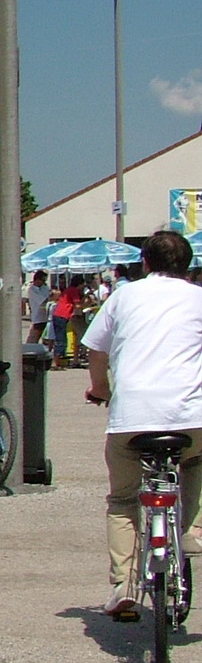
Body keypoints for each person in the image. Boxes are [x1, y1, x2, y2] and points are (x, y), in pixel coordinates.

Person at [83, 230, 202, 619]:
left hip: (131, 419)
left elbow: (96, 348)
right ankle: (193, 531)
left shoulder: (123, 296)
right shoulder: (199, 298)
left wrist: (100, 388)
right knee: (197, 461)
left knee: (123, 498)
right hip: (191, 418)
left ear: (145, 263)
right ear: (188, 267)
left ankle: (123, 584)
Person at [50, 275, 84, 369]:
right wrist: (85, 304)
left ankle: (57, 361)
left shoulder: (68, 290)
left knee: (60, 338)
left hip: (58, 314)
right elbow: (77, 305)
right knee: (61, 340)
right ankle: (55, 363)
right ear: (79, 284)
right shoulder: (73, 291)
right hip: (62, 315)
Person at [26, 270, 51, 345]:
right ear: (37, 279)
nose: (43, 282)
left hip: (46, 316)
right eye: (42, 280)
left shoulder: (45, 287)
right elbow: (43, 300)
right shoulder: (32, 289)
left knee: (46, 338)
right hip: (37, 318)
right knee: (34, 339)